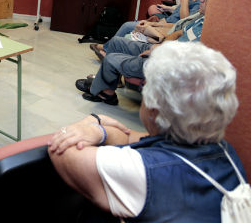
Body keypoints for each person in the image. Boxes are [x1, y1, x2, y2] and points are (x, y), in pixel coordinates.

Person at [48, 41, 246, 222]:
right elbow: (133, 137)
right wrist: (101, 131)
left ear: (154, 110)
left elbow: (62, 151)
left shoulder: (143, 171)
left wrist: (90, 121)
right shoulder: (225, 151)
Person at [78, 0, 209, 105]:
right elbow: (178, 32)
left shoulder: (210, 30)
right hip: (163, 48)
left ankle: (106, 94)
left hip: (167, 62)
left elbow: (185, 56)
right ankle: (109, 82)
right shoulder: (200, 19)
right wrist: (159, 46)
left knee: (111, 58)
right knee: (117, 41)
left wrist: (160, 51)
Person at [91, 0, 212, 60]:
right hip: (166, 20)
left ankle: (107, 49)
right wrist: (170, 8)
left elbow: (184, 20)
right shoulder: (195, 0)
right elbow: (179, 11)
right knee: (151, 10)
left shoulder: (201, 6)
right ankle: (109, 48)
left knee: (128, 25)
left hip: (169, 25)